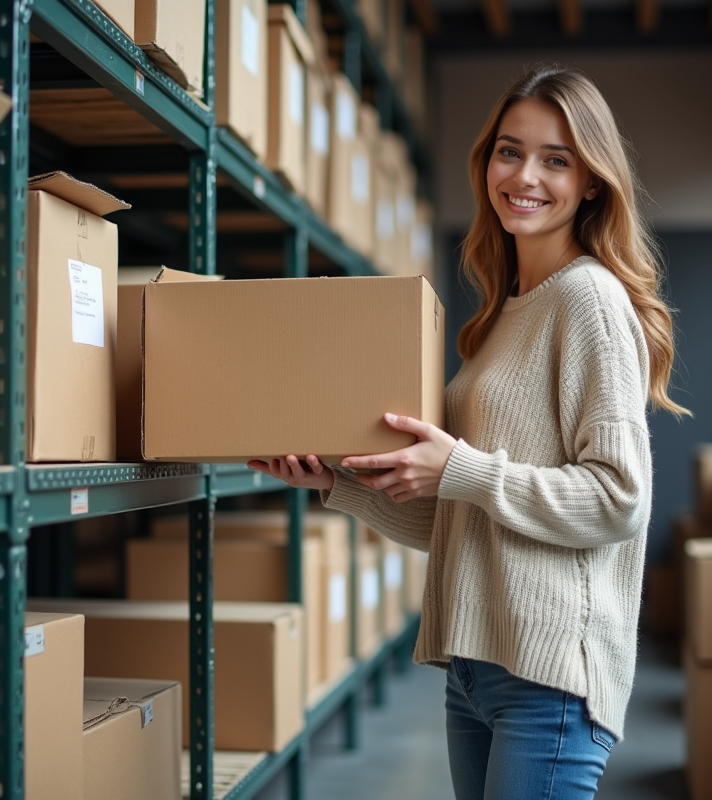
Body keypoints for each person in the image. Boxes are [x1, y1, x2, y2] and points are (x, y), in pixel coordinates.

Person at [249, 66, 687, 800]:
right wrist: (340, 484)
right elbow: (465, 519)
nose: (525, 175)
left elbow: (619, 499)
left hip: (549, 679)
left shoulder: (589, 300)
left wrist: (465, 470)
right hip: (476, 669)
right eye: (508, 151)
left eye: (556, 159)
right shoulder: (500, 316)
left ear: (590, 183)